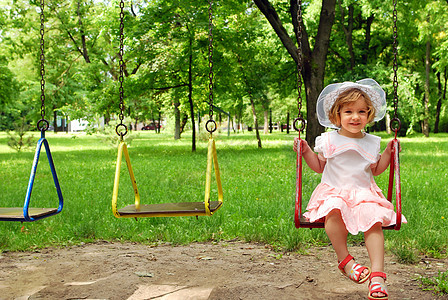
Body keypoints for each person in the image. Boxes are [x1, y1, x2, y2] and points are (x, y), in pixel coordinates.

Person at [294, 78, 406, 300]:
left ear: (369, 115)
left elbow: (375, 170)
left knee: (374, 222)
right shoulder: (327, 140)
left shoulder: (371, 141)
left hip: (363, 192)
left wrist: (388, 153)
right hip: (335, 191)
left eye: (361, 112)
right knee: (333, 212)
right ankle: (345, 260)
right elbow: (318, 167)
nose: (355, 117)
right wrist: (306, 151)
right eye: (348, 112)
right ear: (337, 115)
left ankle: (377, 276)